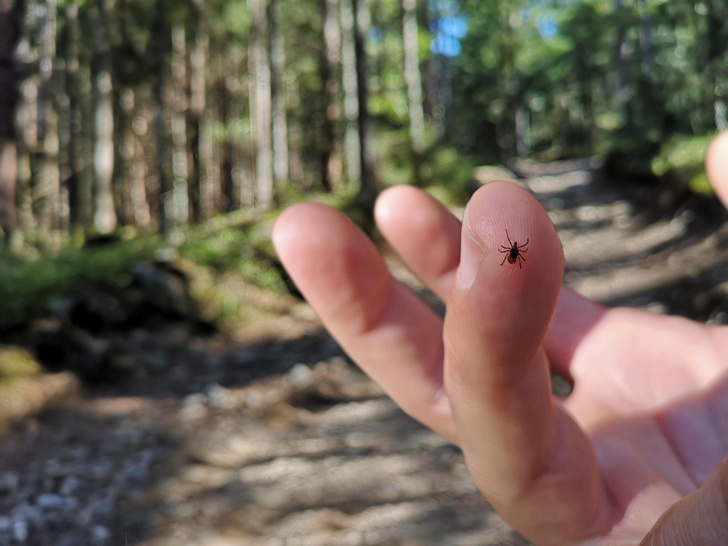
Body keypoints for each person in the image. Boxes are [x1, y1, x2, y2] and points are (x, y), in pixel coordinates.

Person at [271, 130, 728, 546]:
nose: (513, 250)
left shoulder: (515, 251)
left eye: (512, 248)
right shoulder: (514, 250)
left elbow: (518, 250)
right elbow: (517, 250)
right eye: (512, 248)